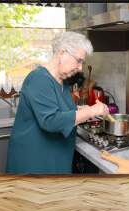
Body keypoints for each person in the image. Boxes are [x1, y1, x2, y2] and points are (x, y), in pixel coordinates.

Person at [6, 31, 109, 174]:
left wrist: (79, 110)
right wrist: (90, 111)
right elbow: (51, 120)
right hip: (34, 162)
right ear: (62, 53)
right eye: (78, 60)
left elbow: (59, 109)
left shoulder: (61, 82)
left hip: (54, 160)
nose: (80, 68)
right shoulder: (39, 79)